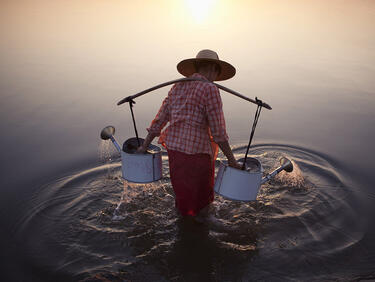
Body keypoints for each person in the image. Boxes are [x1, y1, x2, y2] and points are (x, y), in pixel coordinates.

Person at [136, 49, 241, 219]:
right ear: (213, 69)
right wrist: (232, 161)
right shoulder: (210, 89)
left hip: (175, 153)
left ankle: (184, 227)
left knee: (183, 200)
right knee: (201, 205)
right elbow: (218, 132)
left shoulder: (178, 86)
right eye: (216, 72)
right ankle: (195, 234)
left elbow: (159, 120)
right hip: (197, 156)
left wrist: (144, 147)